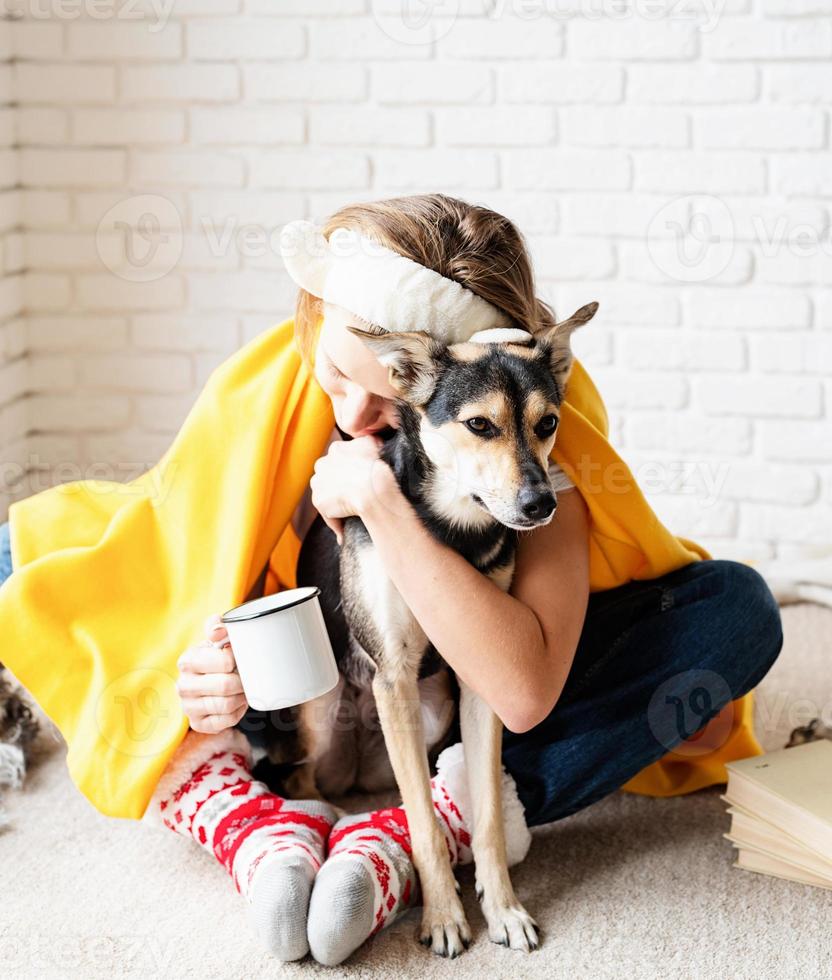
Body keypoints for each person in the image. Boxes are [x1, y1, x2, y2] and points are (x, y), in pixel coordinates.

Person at [0, 194, 784, 966]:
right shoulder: (272, 389)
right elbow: (181, 546)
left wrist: (380, 502)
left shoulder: (536, 441)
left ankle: (421, 829)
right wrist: (197, 664)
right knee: (27, 553)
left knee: (735, 610)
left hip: (471, 692)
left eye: (390, 392)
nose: (354, 414)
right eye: (340, 372)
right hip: (312, 674)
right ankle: (242, 813)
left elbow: (518, 691)